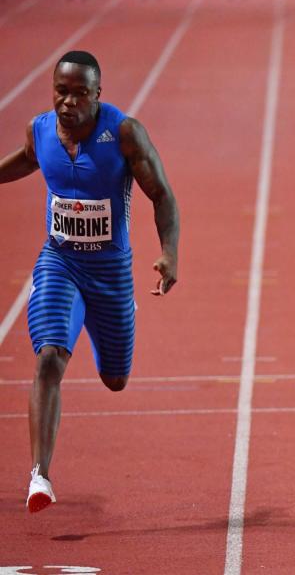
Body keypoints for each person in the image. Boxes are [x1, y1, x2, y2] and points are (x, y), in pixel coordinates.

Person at [0, 50, 180, 513]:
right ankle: (40, 475)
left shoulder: (123, 134)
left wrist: (168, 254)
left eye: (80, 93)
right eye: (61, 91)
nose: (68, 102)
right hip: (60, 262)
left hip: (111, 272)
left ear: (98, 94)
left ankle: (106, 320)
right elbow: (26, 159)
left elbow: (161, 194)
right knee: (49, 359)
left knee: (115, 379)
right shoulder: (40, 130)